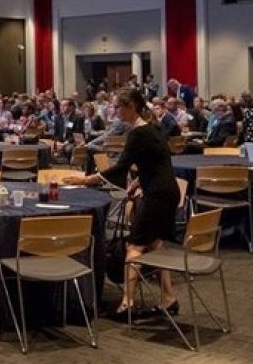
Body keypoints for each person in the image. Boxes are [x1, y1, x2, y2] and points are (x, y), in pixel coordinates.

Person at [64, 88, 179, 319]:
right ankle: (169, 299)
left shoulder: (138, 133)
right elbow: (157, 162)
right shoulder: (153, 128)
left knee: (134, 247)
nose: (114, 111)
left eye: (118, 107)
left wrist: (85, 179)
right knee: (156, 244)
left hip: (156, 195)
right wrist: (138, 181)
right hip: (168, 191)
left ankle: (127, 304)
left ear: (131, 107)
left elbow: (119, 168)